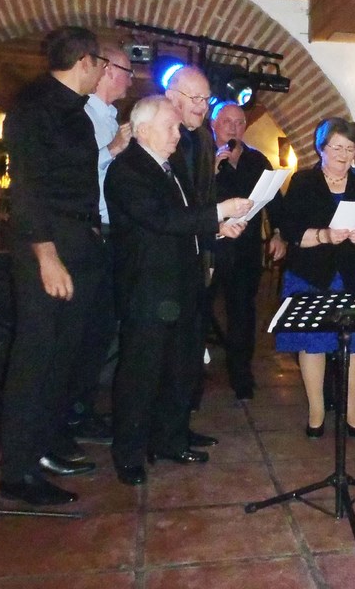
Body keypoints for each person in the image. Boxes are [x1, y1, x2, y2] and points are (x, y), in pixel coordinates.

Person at [105, 96, 251, 486]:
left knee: (181, 365)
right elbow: (161, 219)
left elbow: (185, 220)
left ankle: (170, 438)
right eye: (169, 127)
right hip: (148, 287)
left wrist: (217, 229)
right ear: (142, 130)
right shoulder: (127, 170)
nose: (177, 134)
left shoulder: (169, 166)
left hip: (183, 282)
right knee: (141, 372)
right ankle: (129, 453)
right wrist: (220, 212)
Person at [0, 25, 107, 506]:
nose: (102, 71)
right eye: (101, 63)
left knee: (65, 356)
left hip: (78, 241)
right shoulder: (33, 108)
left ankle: (43, 448)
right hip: (49, 246)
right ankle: (17, 472)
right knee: (37, 359)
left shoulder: (75, 111)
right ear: (84, 61)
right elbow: (26, 189)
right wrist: (46, 256)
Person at [277, 118, 355, 438]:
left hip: (351, 276)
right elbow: (291, 229)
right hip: (311, 275)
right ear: (321, 148)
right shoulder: (303, 182)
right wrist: (324, 235)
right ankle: (317, 412)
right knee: (313, 345)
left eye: (349, 148)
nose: (343, 154)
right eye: (336, 147)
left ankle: (351, 412)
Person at [66, 43, 133, 444]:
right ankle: (72, 416)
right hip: (92, 233)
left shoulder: (109, 116)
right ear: (107, 69)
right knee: (87, 329)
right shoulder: (84, 116)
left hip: (112, 233)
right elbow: (73, 173)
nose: (131, 79)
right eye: (127, 71)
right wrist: (112, 150)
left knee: (102, 329)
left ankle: (84, 410)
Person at [209, 101, 286, 401]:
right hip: (211, 247)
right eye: (227, 122)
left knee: (242, 312)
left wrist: (278, 233)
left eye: (239, 122)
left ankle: (241, 375)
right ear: (214, 124)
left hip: (245, 249)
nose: (233, 127)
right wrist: (212, 168)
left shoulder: (257, 159)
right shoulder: (203, 156)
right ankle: (190, 379)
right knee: (200, 311)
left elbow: (275, 201)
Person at [163, 65, 219, 447]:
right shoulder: (162, 138)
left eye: (206, 99)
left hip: (197, 255)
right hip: (168, 259)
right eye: (195, 98)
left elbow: (206, 196)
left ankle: (180, 425)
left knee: (191, 345)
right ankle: (166, 432)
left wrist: (211, 248)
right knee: (169, 350)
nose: (202, 106)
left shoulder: (203, 138)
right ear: (172, 97)